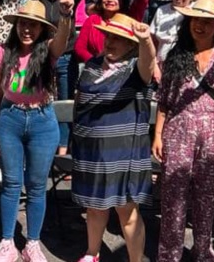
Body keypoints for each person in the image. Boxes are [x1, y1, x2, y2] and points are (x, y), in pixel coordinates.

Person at [153, 0, 214, 261]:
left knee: (206, 200)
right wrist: (158, 134)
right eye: (197, 19)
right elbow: (164, 100)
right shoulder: (177, 54)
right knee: (172, 199)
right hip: (178, 127)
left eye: (209, 22)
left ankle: (201, 252)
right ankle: (169, 255)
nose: (201, 25)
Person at [0, 0, 75, 262]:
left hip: (42, 121)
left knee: (37, 186)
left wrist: (65, 16)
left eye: (33, 26)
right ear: (16, 25)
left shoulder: (48, 50)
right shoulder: (2, 52)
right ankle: (7, 243)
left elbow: (62, 38)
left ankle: (32, 243)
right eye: (23, 24)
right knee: (11, 184)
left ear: (41, 29)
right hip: (9, 120)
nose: (27, 29)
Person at [71, 13, 158, 262]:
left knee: (127, 212)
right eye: (109, 36)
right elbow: (81, 102)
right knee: (94, 207)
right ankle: (92, 253)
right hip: (92, 152)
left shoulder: (136, 69)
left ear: (131, 44)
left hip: (124, 153)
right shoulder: (92, 65)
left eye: (118, 38)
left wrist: (146, 41)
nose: (110, 42)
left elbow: (149, 64)